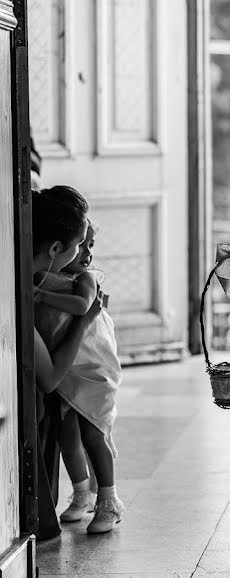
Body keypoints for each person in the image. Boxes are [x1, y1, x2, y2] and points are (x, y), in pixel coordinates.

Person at [35, 221, 125, 534]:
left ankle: (109, 500)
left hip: (91, 368)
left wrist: (42, 296)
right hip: (66, 367)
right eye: (82, 244)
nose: (87, 253)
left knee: (93, 434)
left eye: (91, 246)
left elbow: (83, 305)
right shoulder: (43, 275)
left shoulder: (84, 278)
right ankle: (82, 493)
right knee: (67, 438)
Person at [31, 185, 103, 541]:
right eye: (80, 244)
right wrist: (85, 322)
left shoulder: (56, 279)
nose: (84, 253)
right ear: (57, 248)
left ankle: (90, 493)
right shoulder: (24, 289)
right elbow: (50, 377)